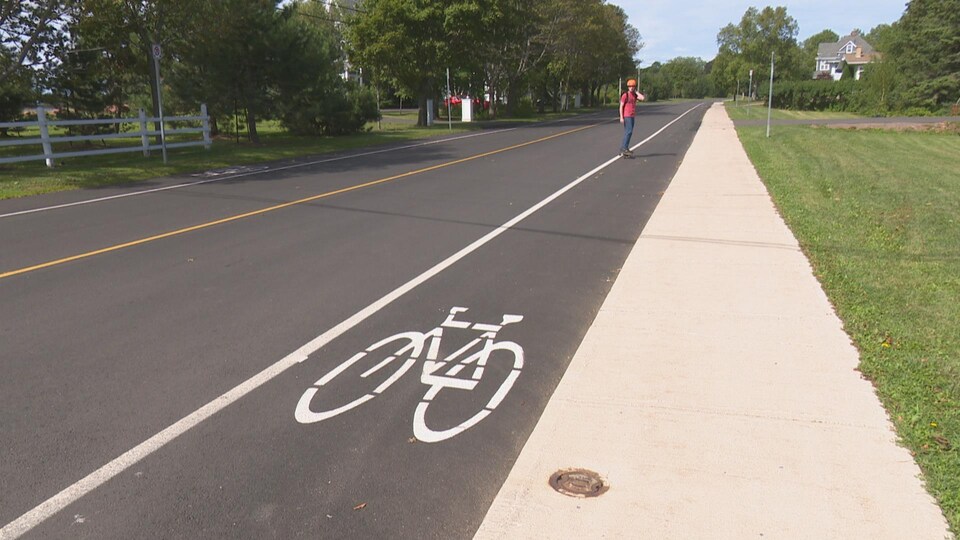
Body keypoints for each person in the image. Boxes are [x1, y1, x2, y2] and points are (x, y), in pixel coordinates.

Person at [619, 79, 646, 157]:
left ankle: (624, 148)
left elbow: (643, 98)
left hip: (632, 116)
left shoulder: (634, 95)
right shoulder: (625, 95)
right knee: (629, 131)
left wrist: (636, 92)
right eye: (629, 86)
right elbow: (621, 107)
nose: (631, 88)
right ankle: (624, 148)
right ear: (628, 87)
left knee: (628, 132)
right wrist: (621, 117)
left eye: (632, 86)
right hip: (627, 116)